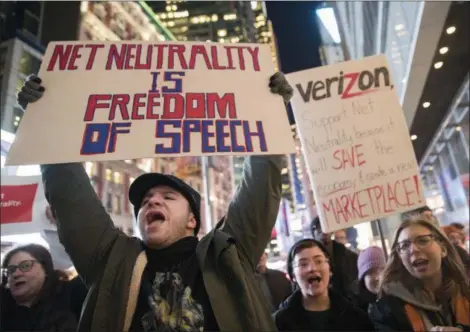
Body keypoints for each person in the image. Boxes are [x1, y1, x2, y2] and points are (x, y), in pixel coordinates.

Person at [17, 72, 294, 331]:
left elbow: (261, 187)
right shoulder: (112, 259)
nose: (153, 202)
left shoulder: (228, 253)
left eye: (168, 197)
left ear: (192, 220)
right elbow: (70, 196)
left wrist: (270, 112)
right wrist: (44, 116)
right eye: (146, 200)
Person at [370, 218, 470, 332]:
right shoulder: (387, 311)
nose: (413, 249)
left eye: (423, 240)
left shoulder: (466, 291)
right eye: (404, 245)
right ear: (400, 258)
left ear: (442, 249)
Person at [273, 239, 374, 331]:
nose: (312, 268)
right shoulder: (278, 323)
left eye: (319, 261)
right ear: (293, 276)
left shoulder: (356, 318)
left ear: (330, 269)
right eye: (303, 264)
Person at [1, 244, 87, 331]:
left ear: (45, 269)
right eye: (10, 270)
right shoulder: (4, 307)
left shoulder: (71, 293)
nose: (15, 274)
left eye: (25, 266)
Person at [310, 216, 358, 299]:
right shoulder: (309, 259)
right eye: (318, 229)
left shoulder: (349, 256)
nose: (323, 231)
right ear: (313, 234)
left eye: (325, 227)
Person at [350, 246, 386, 312]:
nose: (378, 277)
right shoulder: (357, 311)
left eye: (381, 269)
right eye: (371, 272)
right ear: (363, 279)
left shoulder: (397, 298)